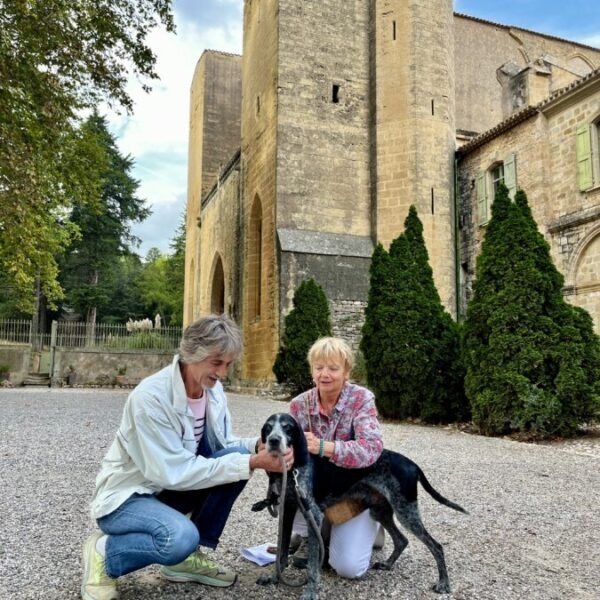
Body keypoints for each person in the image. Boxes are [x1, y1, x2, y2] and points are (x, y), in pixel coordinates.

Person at [81, 314, 293, 600]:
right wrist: (250, 462)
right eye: (216, 362)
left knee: (240, 455)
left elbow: (225, 445)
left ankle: (183, 559)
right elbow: (173, 471)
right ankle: (104, 554)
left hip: (167, 489)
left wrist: (258, 446)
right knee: (179, 537)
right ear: (192, 353)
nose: (222, 372)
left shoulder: (212, 390)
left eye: (228, 364)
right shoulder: (151, 398)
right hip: (128, 498)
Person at [289, 336, 384, 579]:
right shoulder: (299, 405)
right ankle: (325, 528)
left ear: (346, 371)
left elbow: (371, 448)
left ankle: (373, 521)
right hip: (319, 491)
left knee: (347, 568)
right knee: (292, 510)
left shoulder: (362, 399)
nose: (325, 374)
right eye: (319, 367)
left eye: (333, 368)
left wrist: (323, 447)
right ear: (312, 370)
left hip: (355, 492)